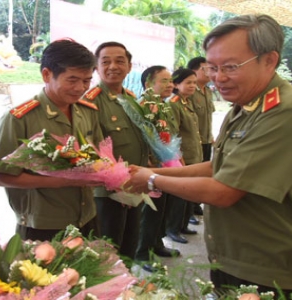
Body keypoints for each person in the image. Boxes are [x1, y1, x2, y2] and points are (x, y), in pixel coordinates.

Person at [126, 14, 292, 299]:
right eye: (212, 67)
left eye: (231, 67)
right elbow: (219, 167)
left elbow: (224, 191)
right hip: (234, 257)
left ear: (269, 60)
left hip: (269, 266)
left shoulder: (289, 111)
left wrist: (152, 180)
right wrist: (149, 172)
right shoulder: (245, 105)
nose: (217, 78)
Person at [0, 39, 103, 242]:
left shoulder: (88, 112)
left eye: (86, 80)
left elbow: (99, 155)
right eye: (72, 80)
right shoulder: (19, 118)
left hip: (87, 216)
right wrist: (60, 181)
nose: (80, 88)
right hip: (44, 224)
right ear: (46, 74)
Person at [81, 41, 149, 261]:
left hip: (135, 186)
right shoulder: (90, 103)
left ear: (129, 66)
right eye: (105, 61)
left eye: (120, 61)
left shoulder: (130, 98)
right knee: (108, 251)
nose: (113, 66)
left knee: (130, 245)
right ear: (96, 68)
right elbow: (90, 150)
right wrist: (116, 184)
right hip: (109, 194)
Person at [134, 65, 180, 266]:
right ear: (148, 84)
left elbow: (169, 134)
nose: (170, 85)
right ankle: (142, 252)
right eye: (164, 81)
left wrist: (177, 159)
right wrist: (151, 161)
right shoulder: (142, 106)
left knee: (163, 208)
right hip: (152, 166)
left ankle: (157, 243)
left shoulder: (163, 104)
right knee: (150, 210)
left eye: (171, 81)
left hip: (168, 163)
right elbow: (142, 137)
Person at [164, 68, 202, 244]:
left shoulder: (187, 102)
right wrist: (180, 158)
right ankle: (173, 228)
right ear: (177, 84)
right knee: (180, 195)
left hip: (194, 156)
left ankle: (183, 224)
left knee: (190, 194)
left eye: (194, 82)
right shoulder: (173, 104)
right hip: (183, 158)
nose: (193, 86)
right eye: (189, 82)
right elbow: (172, 135)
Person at [187, 56, 216, 224]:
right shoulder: (190, 92)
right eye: (206, 69)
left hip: (205, 140)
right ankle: (188, 210)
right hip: (194, 142)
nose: (209, 73)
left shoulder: (208, 91)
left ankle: (196, 205)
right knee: (193, 176)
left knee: (203, 175)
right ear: (195, 71)